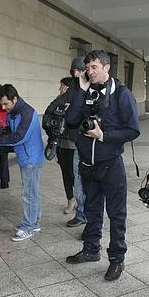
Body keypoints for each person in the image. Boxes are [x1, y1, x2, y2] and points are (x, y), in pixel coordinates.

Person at [64, 50, 140, 281]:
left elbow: (133, 130)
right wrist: (81, 90)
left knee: (116, 214)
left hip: (110, 164)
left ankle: (117, 259)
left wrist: (103, 136)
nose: (90, 71)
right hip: (88, 163)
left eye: (95, 67)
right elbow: (71, 120)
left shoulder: (121, 94)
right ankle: (90, 250)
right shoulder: (85, 91)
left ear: (107, 67)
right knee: (91, 210)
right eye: (88, 67)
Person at [0, 84, 44, 242]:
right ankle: (34, 222)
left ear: (15, 99)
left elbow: (20, 136)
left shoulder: (28, 112)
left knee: (29, 193)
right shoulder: (13, 112)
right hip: (24, 156)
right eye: (2, 104)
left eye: (6, 103)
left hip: (32, 158)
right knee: (32, 191)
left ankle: (28, 227)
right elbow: (11, 132)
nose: (3, 107)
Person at [43, 76, 79, 214]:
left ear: (67, 87)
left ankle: (78, 199)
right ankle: (70, 200)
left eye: (61, 86)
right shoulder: (58, 102)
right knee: (65, 173)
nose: (60, 88)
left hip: (72, 144)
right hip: (60, 143)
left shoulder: (76, 101)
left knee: (72, 173)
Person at [65, 57, 88, 228]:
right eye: (74, 72)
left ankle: (91, 221)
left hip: (95, 145)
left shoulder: (98, 90)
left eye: (79, 71)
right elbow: (71, 118)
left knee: (92, 187)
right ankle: (81, 214)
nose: (76, 75)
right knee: (78, 183)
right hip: (78, 142)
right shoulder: (75, 90)